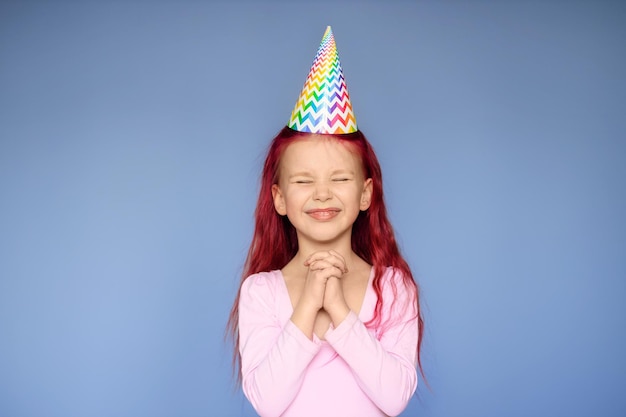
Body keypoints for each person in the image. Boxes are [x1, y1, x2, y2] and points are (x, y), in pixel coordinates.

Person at [227, 26, 424, 417]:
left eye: (339, 179)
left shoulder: (393, 287)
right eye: (303, 181)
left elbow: (395, 397)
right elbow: (267, 402)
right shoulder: (261, 292)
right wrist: (308, 303)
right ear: (280, 198)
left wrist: (337, 308)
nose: (321, 194)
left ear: (365, 193)